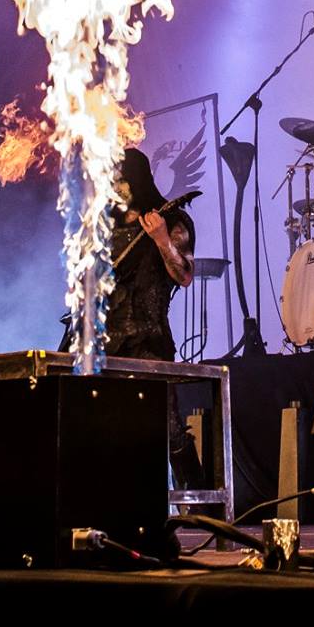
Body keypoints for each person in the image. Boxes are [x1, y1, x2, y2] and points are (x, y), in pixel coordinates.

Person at [102, 147, 206, 488]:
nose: (114, 187)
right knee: (105, 427)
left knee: (168, 428)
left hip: (148, 340)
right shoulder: (104, 226)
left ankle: (202, 505)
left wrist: (161, 239)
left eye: (120, 181)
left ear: (136, 180)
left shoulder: (171, 221)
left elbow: (184, 275)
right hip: (105, 342)